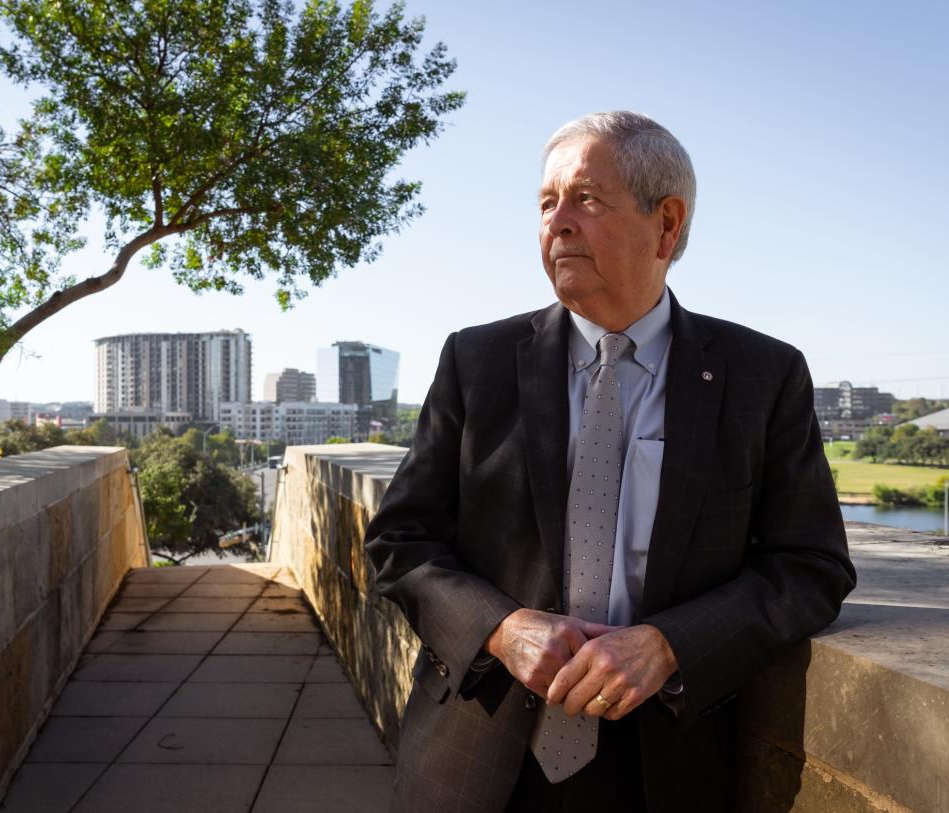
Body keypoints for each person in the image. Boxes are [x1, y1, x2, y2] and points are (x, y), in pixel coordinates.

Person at [363, 110, 856, 813]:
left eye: (586, 199)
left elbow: (811, 566)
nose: (558, 221)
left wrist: (668, 644)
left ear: (668, 224)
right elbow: (399, 543)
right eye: (546, 202)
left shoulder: (761, 375)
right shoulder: (477, 363)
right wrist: (501, 629)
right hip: (479, 750)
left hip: (666, 765)